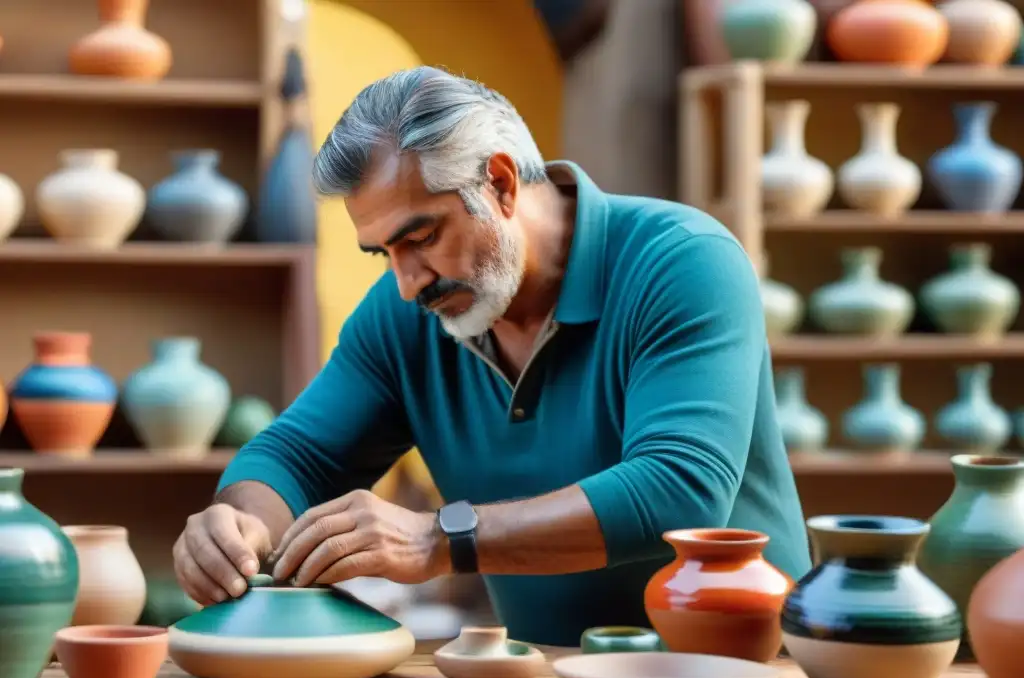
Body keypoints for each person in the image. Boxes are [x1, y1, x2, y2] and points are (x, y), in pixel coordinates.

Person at [172, 66, 812, 646]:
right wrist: (239, 525)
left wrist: (438, 538)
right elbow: (297, 456)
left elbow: (679, 492)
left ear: (501, 183)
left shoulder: (684, 261)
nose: (406, 283)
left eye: (421, 238)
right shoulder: (404, 313)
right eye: (382, 253)